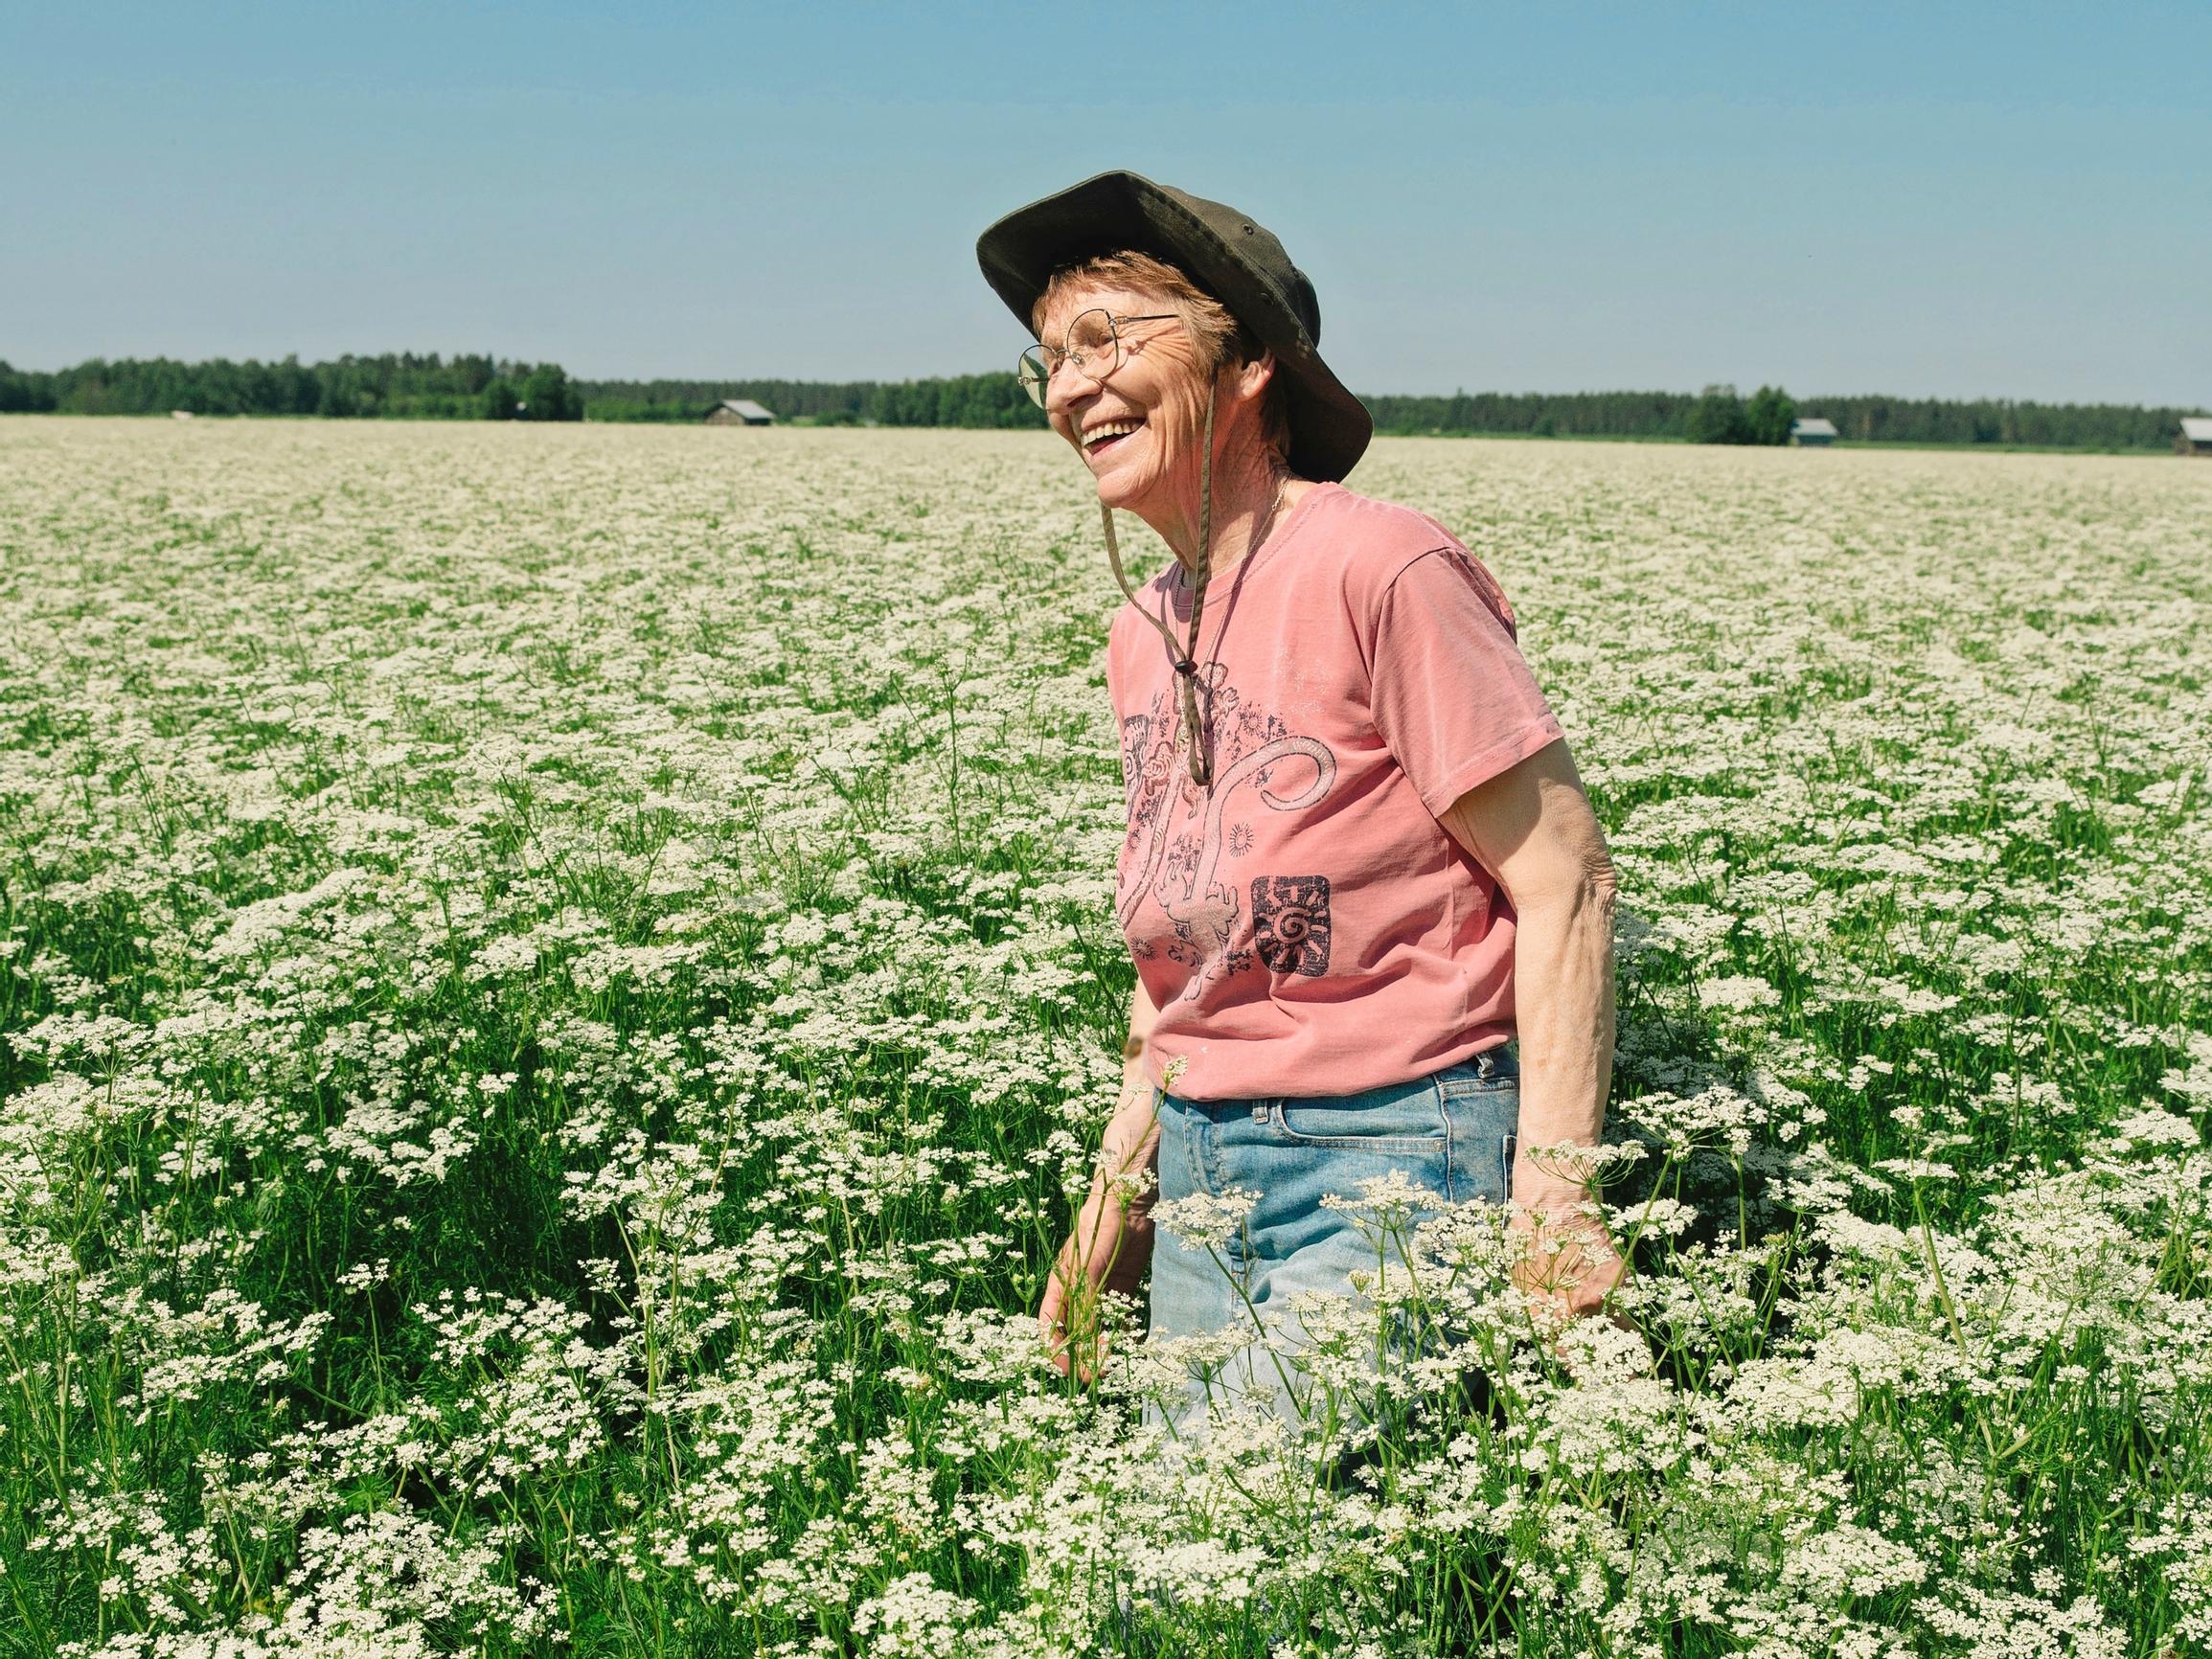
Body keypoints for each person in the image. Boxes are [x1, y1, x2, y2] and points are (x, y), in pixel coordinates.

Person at [975, 171, 1626, 1442]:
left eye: (1106, 341)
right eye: (1047, 361)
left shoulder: (1381, 567)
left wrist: (1554, 1197)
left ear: (1249, 363)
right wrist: (1111, 1209)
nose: (1067, 388)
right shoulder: (1139, 627)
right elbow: (1182, 968)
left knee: (1272, 1558)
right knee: (1202, 1577)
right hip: (1209, 1161)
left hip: (1392, 1150)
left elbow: (1565, 882)